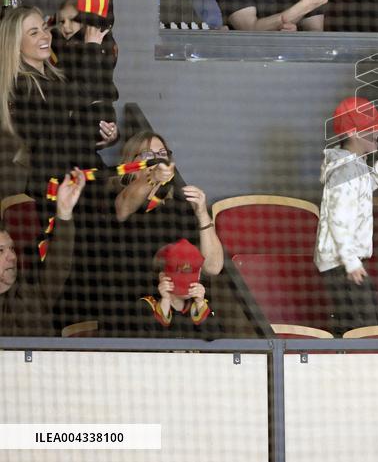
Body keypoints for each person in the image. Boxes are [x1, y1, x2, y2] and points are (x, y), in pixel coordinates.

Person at [0, 5, 118, 324]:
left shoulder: (53, 75)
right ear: (15, 44)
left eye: (44, 27)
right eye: (33, 32)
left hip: (78, 186)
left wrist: (107, 135)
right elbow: (80, 96)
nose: (45, 35)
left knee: (92, 267)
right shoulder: (21, 85)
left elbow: (83, 114)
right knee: (69, 272)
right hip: (53, 195)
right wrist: (91, 46)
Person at [110, 131, 224, 333]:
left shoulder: (179, 206)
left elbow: (213, 267)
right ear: (130, 163)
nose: (157, 160)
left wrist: (201, 213)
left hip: (181, 316)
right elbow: (123, 208)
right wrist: (152, 177)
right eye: (148, 155)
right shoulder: (116, 197)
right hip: (134, 314)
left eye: (162, 154)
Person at [314, 96, 378, 334]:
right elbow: (337, 219)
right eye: (372, 128)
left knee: (368, 322)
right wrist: (350, 262)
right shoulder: (344, 170)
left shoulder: (355, 165)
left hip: (347, 260)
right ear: (353, 133)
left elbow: (363, 189)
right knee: (361, 326)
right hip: (341, 263)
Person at [0, 169, 86, 336]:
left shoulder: (29, 296)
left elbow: (58, 267)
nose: (12, 257)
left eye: (12, 249)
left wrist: (64, 213)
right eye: (0, 251)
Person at [136, 238, 221, 337]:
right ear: (163, 277)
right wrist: (166, 301)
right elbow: (149, 339)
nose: (188, 282)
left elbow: (214, 336)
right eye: (182, 276)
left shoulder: (201, 304)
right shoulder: (147, 304)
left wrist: (200, 303)